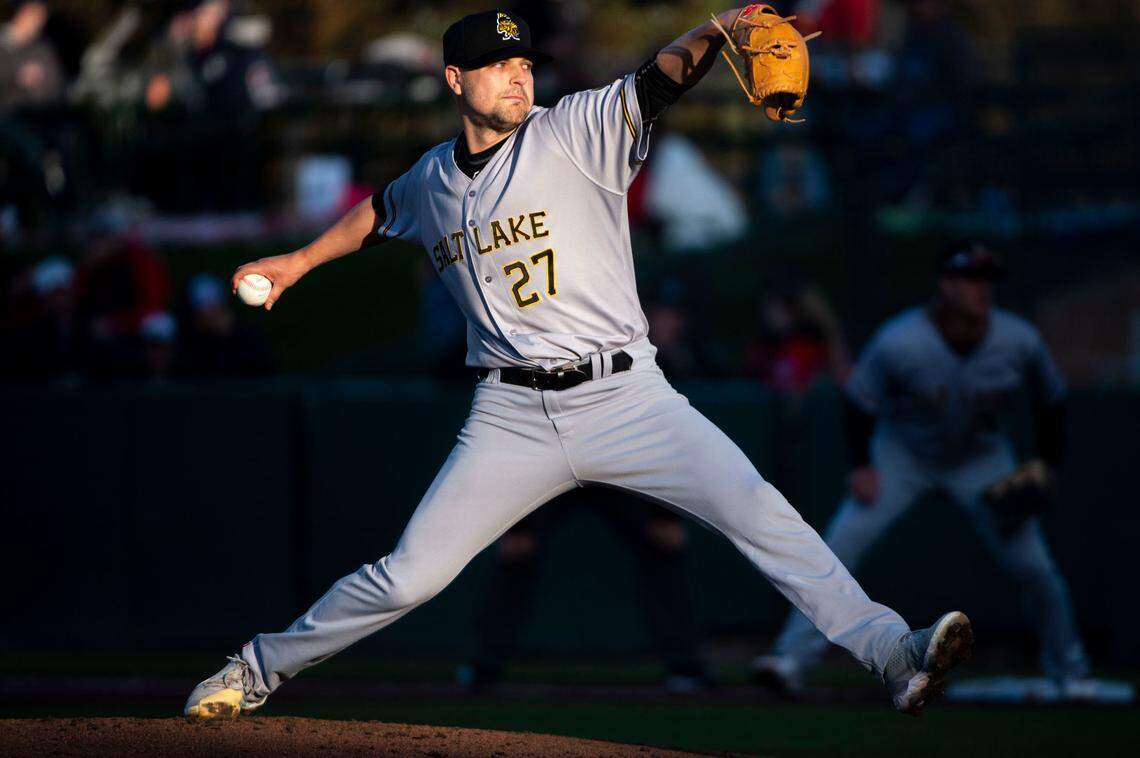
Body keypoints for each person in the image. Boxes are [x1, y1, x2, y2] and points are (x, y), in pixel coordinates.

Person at [184, 9, 970, 720]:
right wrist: (298, 259)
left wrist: (714, 31)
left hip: (628, 396)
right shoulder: (430, 180)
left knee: (759, 510)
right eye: (498, 63)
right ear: (456, 79)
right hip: (510, 418)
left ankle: (895, 653)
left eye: (523, 59)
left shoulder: (575, 129)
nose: (518, 72)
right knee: (407, 577)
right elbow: (378, 212)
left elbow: (659, 79)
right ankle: (253, 669)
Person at [752, 242, 1090, 696]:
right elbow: (859, 401)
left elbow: (1052, 398)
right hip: (903, 456)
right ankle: (791, 661)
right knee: (840, 544)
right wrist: (861, 465)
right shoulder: (901, 340)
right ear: (946, 286)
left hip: (982, 460)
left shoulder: (1018, 338)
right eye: (971, 279)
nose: (981, 290)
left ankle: (1072, 673)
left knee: (1036, 568)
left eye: (987, 280)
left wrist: (1050, 462)